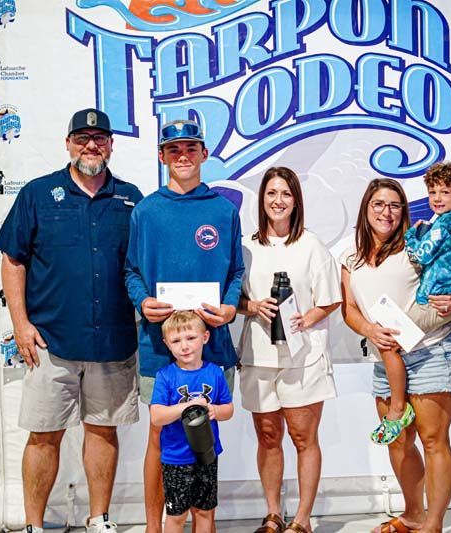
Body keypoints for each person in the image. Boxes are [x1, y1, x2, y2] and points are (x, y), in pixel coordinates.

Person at [0, 108, 143, 533]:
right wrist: (21, 325)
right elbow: (12, 260)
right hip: (51, 343)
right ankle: (33, 526)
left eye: (99, 138)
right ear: (68, 143)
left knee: (103, 433)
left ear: (111, 145)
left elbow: (146, 265)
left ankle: (99, 520)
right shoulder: (38, 194)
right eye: (82, 138)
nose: (91, 146)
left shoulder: (131, 199)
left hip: (113, 342)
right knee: (44, 436)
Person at [124, 119, 244, 533]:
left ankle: (202, 523)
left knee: (205, 442)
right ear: (162, 156)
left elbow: (237, 273)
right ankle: (155, 528)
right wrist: (142, 301)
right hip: (161, 347)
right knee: (160, 438)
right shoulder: (146, 210)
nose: (183, 157)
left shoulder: (223, 210)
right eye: (174, 149)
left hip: (212, 345)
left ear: (204, 154)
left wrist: (229, 309)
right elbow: (131, 272)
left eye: (191, 148)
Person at [340, 179, 451, 533]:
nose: (387, 211)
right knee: (398, 440)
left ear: (404, 211)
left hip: (430, 352)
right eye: (379, 204)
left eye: (395, 205)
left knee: (433, 440)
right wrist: (368, 329)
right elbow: (349, 309)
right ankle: (413, 514)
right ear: (366, 208)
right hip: (385, 359)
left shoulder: (418, 245)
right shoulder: (349, 255)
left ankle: (433, 523)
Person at [237, 167, 342, 533]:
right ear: (261, 200)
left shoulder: (311, 245)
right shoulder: (247, 246)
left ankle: (302, 519)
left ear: (296, 200)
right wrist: (253, 307)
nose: (278, 201)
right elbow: (234, 297)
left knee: (302, 438)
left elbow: (331, 299)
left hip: (303, 357)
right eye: (271, 194)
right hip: (259, 356)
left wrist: (305, 317)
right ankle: (273, 513)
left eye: (285, 194)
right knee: (268, 436)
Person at [370, 162, 451, 446]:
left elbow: (422, 254)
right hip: (442, 295)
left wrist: (412, 236)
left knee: (389, 337)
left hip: (435, 298)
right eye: (432, 192)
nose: (437, 198)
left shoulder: (448, 221)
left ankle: (397, 411)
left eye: (444, 192)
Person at [149, 311, 234, 533]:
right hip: (175, 458)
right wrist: (186, 407)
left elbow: (229, 409)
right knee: (176, 515)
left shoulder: (215, 373)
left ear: (205, 337)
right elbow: (156, 415)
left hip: (207, 455)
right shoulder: (165, 376)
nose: (184, 346)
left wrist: (215, 410)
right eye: (176, 341)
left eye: (191, 338)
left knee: (205, 512)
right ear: (167, 344)